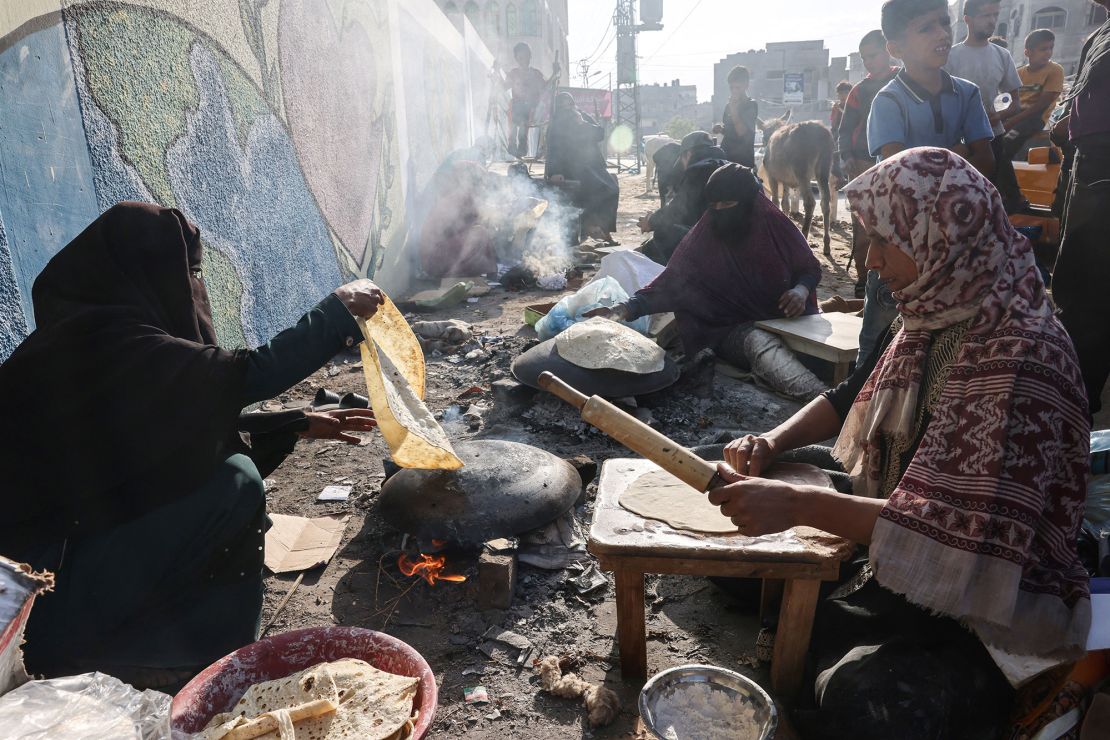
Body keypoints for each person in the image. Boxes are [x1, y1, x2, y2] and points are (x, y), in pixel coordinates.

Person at [712, 148, 1091, 739]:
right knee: (759, 517)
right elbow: (849, 396)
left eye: (885, 243)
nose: (871, 261)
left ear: (942, 236)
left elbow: (960, 529)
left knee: (869, 702)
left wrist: (800, 506)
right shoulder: (933, 309)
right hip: (898, 513)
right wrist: (770, 440)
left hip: (982, 598)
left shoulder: (1025, 356)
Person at [0, 203, 385, 690]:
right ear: (148, 272)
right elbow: (249, 374)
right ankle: (182, 662)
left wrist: (296, 421)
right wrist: (338, 312)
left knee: (214, 479)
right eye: (191, 271)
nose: (195, 287)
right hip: (46, 603)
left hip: (52, 571)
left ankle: (141, 643)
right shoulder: (109, 344)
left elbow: (164, 423)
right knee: (232, 483)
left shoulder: (78, 343)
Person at [588, 164, 827, 400]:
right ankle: (822, 399)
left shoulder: (776, 225)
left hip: (789, 320)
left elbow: (809, 268)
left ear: (750, 201)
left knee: (823, 353)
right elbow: (672, 283)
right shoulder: (705, 235)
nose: (720, 211)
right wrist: (623, 309)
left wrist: (801, 290)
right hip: (731, 327)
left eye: (728, 204)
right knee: (761, 345)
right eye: (714, 205)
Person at [860, 0, 994, 363]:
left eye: (943, 24)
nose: (942, 35)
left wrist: (930, 157)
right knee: (879, 336)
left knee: (945, 339)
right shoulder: (888, 101)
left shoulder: (967, 93)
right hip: (900, 242)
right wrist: (955, 151)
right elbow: (900, 177)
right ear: (895, 48)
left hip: (954, 238)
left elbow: (986, 161)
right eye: (926, 28)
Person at [1051, 1, 1110, 416]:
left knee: (1092, 296)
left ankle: (1077, 403)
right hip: (1086, 167)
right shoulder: (1100, 33)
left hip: (1103, 171)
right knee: (1074, 286)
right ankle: (1072, 400)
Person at [945, 0, 1026, 212]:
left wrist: (996, 116)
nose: (991, 21)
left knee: (1000, 200)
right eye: (985, 15)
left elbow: (1015, 103)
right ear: (968, 20)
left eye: (994, 15)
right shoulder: (950, 56)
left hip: (993, 136)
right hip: (959, 141)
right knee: (962, 199)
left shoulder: (1002, 55)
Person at [837, 30, 899, 296]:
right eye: (864, 58)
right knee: (863, 229)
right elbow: (844, 130)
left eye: (873, 55)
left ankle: (894, 281)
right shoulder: (858, 91)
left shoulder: (904, 81)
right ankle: (864, 284)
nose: (869, 62)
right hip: (864, 166)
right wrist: (848, 157)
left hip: (899, 164)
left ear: (889, 50)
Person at [638, 130, 729, 264]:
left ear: (688, 154)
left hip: (716, 246)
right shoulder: (726, 165)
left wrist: (651, 221)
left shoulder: (699, 171)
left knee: (666, 232)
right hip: (736, 239)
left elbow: (678, 210)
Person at [545, 92, 619, 244]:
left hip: (592, 165)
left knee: (611, 187)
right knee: (575, 199)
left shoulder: (582, 117)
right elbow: (553, 150)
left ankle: (600, 227)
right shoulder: (556, 123)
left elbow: (600, 134)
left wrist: (582, 123)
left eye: (569, 104)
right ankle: (582, 233)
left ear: (573, 105)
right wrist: (554, 172)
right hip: (568, 169)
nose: (567, 108)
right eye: (563, 105)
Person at [418, 159, 497, 278]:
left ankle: (468, 272)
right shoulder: (459, 198)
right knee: (480, 233)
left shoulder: (458, 196)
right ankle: (453, 274)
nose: (481, 187)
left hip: (437, 258)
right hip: (435, 261)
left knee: (482, 231)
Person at [1000, 29, 1065, 160]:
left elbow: (1041, 105)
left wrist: (1011, 122)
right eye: (1043, 49)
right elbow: (1006, 100)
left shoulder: (1055, 70)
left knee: (1008, 140)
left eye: (1050, 48)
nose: (1048, 52)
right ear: (1027, 52)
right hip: (1015, 114)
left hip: (1034, 119)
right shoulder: (1019, 73)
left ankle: (1006, 176)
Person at [503, 42, 559, 158]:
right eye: (520, 57)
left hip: (532, 109)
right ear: (516, 58)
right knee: (514, 107)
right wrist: (497, 73)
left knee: (523, 113)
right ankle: (512, 143)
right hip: (516, 109)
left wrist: (554, 74)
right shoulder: (513, 74)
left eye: (526, 56)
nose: (523, 60)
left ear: (530, 57)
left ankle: (522, 144)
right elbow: (503, 87)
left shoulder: (536, 74)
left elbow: (545, 87)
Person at [721, 66, 759, 168]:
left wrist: (733, 110)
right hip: (726, 159)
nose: (734, 91)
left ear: (746, 86)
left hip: (742, 163)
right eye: (731, 88)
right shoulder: (729, 105)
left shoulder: (751, 105)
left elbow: (742, 132)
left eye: (737, 88)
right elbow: (729, 130)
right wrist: (721, 129)